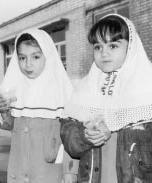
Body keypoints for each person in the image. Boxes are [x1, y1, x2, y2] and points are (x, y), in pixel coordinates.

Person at [61, 14, 152, 182]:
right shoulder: (84, 88)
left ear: (131, 47)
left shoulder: (148, 87)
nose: (104, 53)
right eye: (98, 47)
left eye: (113, 45)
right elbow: (68, 137)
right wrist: (84, 136)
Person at [0, 29, 78, 183]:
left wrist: (70, 173)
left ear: (47, 55)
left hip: (49, 174)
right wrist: (4, 111)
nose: (28, 64)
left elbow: (72, 140)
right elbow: (10, 126)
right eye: (22, 58)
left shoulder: (63, 92)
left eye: (35, 57)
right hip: (19, 171)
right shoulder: (16, 89)